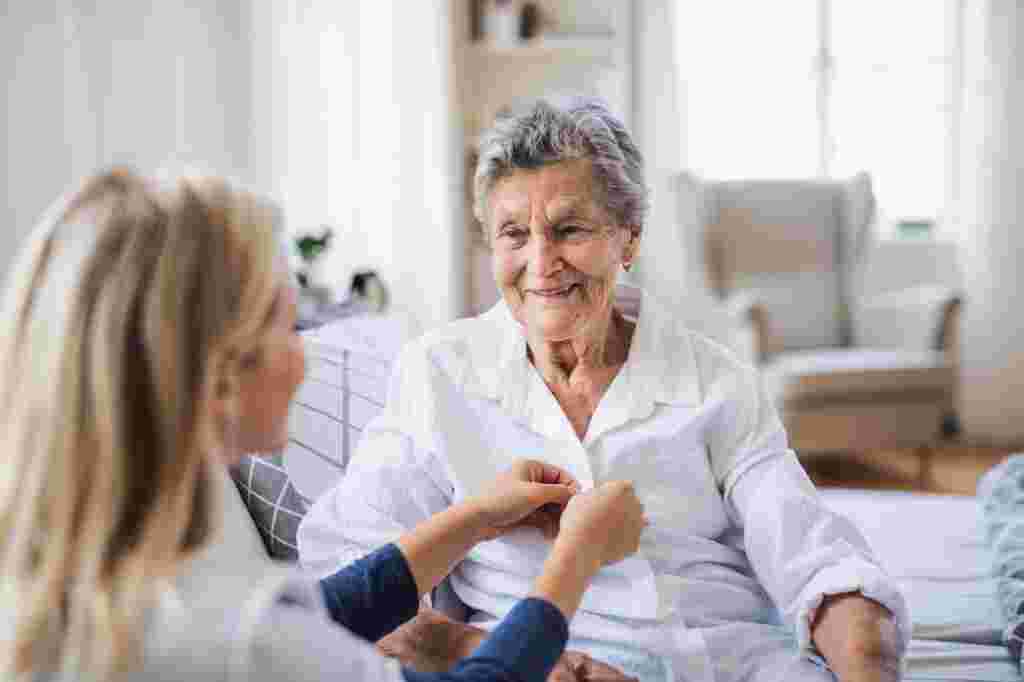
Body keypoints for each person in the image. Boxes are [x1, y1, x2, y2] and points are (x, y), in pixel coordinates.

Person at [299, 95, 911, 682]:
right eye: (514, 234)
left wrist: (864, 662)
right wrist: (480, 650)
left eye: (569, 230)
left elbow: (817, 561)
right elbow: (351, 570)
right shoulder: (439, 373)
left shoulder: (715, 382)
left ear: (629, 237)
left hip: (718, 664)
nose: (541, 263)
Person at [0, 168, 648, 681]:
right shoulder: (245, 644)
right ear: (221, 375)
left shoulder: (102, 593)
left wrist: (475, 517)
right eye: (288, 327)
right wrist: (576, 557)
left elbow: (324, 614)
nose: (306, 355)